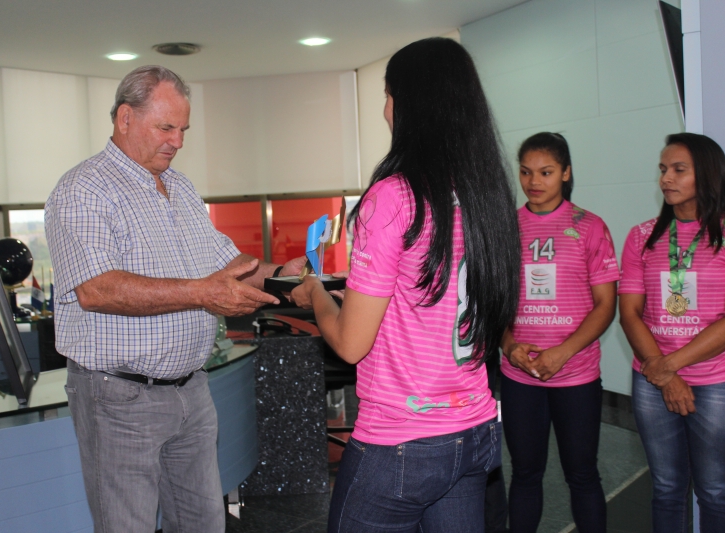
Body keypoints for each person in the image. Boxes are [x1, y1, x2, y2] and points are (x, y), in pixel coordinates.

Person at [44, 65, 304, 533]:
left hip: (191, 392)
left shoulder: (180, 187)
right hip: (119, 397)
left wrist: (283, 276)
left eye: (183, 129)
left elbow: (227, 262)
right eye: (166, 127)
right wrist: (203, 293)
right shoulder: (84, 189)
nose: (177, 141)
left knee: (204, 523)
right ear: (125, 118)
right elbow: (96, 289)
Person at [291, 37, 520, 533]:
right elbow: (430, 298)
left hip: (400, 442)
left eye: (388, 95)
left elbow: (351, 344)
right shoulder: (486, 195)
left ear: (412, 103)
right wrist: (353, 297)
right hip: (474, 432)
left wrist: (314, 294)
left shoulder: (394, 197)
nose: (384, 110)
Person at [501, 132, 618, 533]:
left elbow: (605, 305)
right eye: (526, 172)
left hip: (576, 376)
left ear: (566, 173)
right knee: (524, 473)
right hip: (519, 376)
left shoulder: (590, 227)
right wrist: (509, 346)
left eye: (546, 172)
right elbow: (493, 302)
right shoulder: (506, 228)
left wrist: (562, 352)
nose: (534, 181)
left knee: (582, 475)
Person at [618, 132, 725, 532]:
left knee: (716, 490)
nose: (666, 178)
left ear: (708, 174)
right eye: (663, 169)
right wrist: (663, 373)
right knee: (666, 488)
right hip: (652, 378)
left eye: (678, 169)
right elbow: (630, 313)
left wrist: (670, 368)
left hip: (714, 381)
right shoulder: (641, 235)